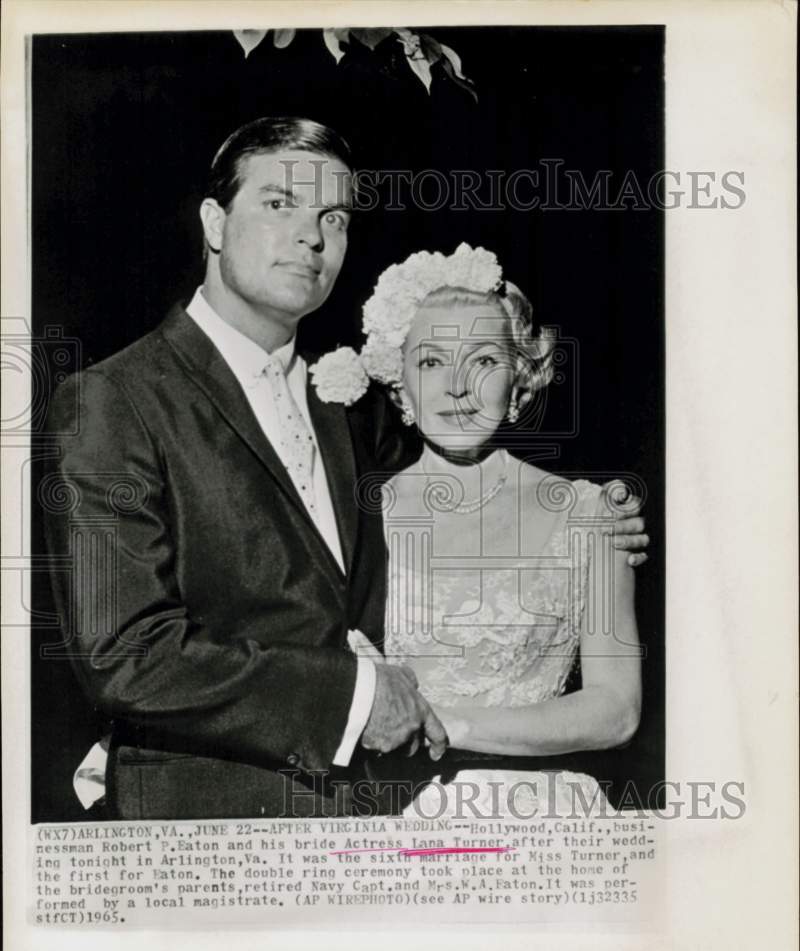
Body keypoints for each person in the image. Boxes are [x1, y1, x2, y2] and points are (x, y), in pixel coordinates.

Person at [43, 117, 649, 820]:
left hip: (371, 821)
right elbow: (125, 654)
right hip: (213, 821)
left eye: (333, 215)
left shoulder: (348, 411)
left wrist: (601, 517)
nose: (311, 234)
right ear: (214, 222)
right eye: (280, 204)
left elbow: (466, 485)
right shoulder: (115, 399)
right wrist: (357, 702)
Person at [314, 244, 642, 816]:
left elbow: (616, 710)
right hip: (390, 820)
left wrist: (447, 722)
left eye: (484, 360)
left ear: (519, 379)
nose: (458, 387)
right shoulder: (355, 517)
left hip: (545, 824)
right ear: (400, 387)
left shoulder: (589, 513)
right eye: (432, 361)